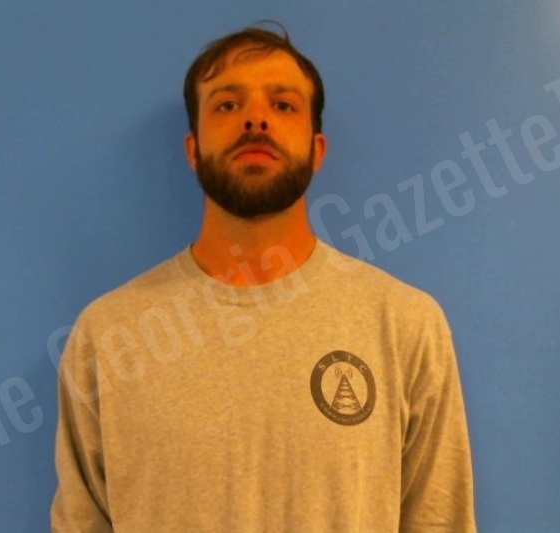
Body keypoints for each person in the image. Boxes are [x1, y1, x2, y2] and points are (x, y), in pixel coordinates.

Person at [51, 22, 476, 532]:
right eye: (228, 105)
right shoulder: (107, 336)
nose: (256, 119)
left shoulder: (405, 325)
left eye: (283, 105)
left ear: (317, 150)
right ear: (193, 150)